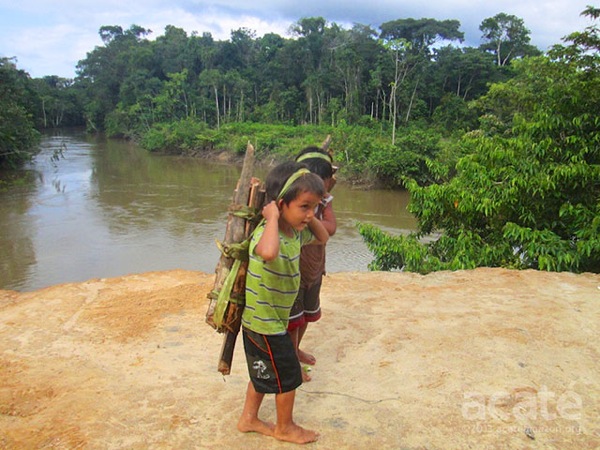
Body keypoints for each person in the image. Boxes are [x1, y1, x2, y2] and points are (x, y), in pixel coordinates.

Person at [237, 161, 329, 444]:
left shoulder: (296, 233)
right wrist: (273, 218)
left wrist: (308, 216)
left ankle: (249, 419)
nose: (310, 214)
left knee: (264, 372)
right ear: (280, 205)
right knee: (288, 377)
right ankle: (284, 427)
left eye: (314, 207)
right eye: (304, 207)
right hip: (263, 323)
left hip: (271, 321)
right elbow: (266, 252)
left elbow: (324, 237)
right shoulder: (268, 232)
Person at [288, 147, 337, 381]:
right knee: (292, 320)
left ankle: (295, 350)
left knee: (306, 316)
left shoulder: (323, 201)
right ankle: (290, 362)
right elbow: (327, 228)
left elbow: (331, 228)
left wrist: (324, 204)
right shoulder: (295, 204)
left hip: (315, 269)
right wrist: (317, 215)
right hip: (294, 272)